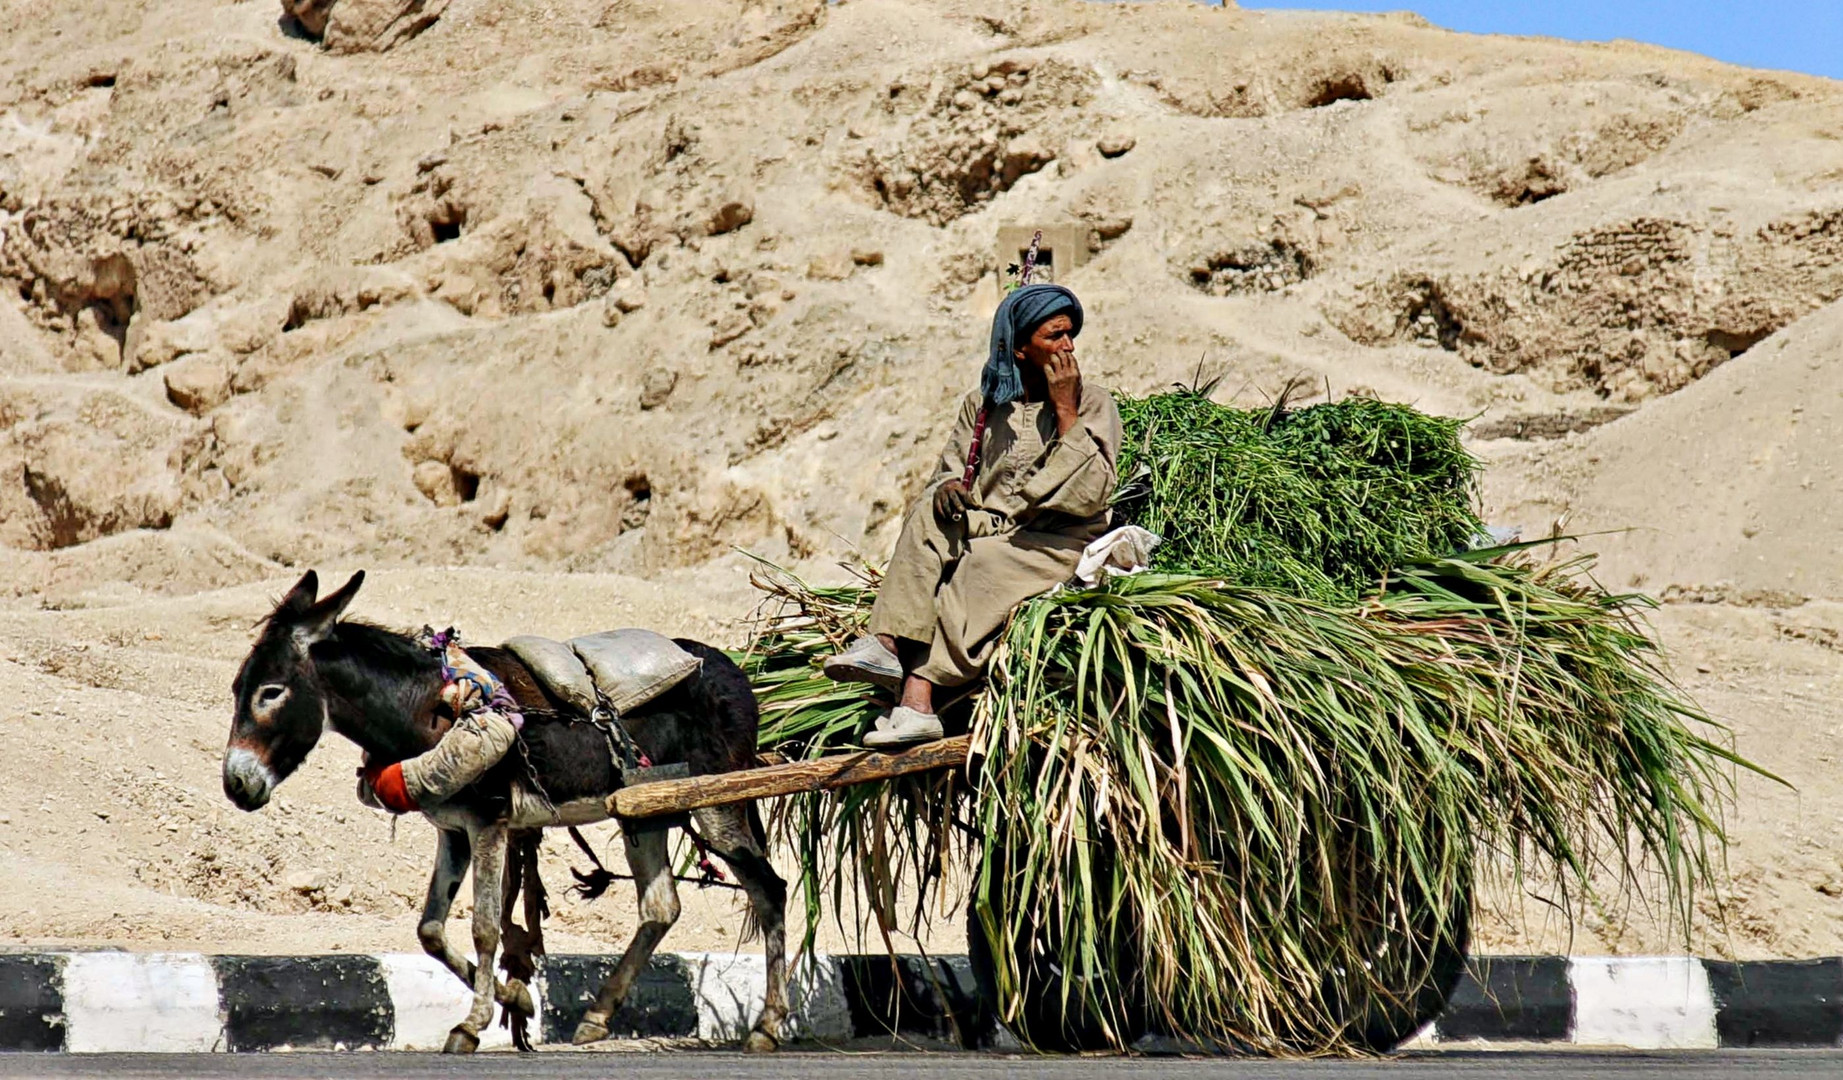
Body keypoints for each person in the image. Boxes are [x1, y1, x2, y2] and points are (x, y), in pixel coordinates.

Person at [824, 283, 1122, 748]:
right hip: (993, 524)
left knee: (980, 562)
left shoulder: (1093, 403)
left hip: (1055, 540)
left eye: (1070, 335)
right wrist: (947, 490)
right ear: (1021, 349)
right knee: (928, 515)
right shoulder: (982, 406)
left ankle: (919, 698)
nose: (1069, 347)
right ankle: (884, 645)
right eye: (1054, 336)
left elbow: (1089, 495)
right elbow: (948, 470)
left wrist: (1065, 410)